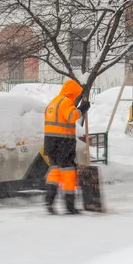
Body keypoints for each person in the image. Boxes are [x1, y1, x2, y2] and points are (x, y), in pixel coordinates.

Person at [44, 79, 90, 215]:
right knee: (68, 172)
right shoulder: (66, 102)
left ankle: (49, 199)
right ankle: (70, 206)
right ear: (73, 92)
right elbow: (71, 116)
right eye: (77, 94)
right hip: (63, 142)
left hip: (50, 142)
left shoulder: (54, 101)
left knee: (55, 170)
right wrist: (81, 110)